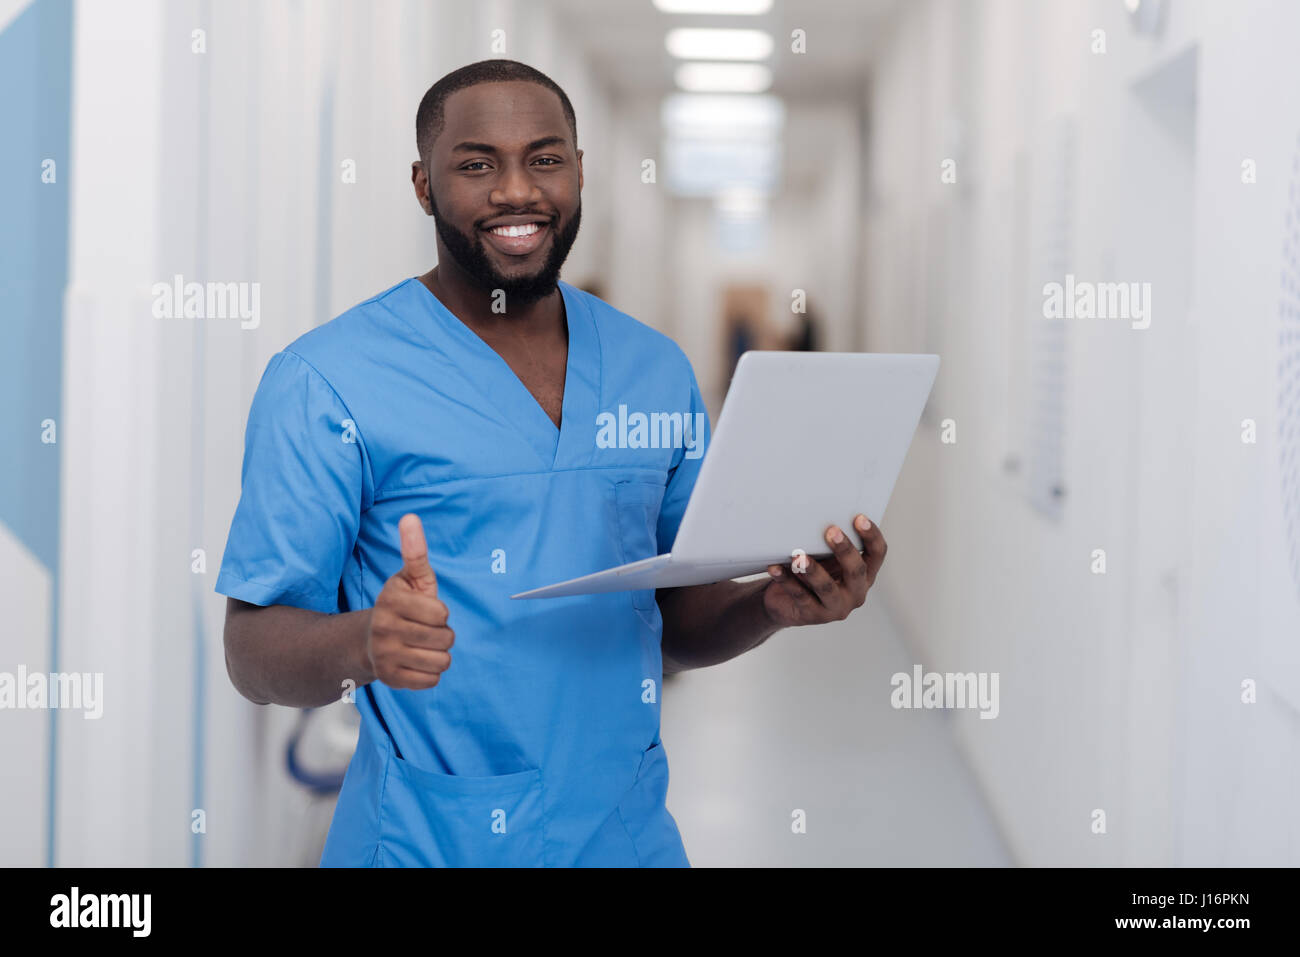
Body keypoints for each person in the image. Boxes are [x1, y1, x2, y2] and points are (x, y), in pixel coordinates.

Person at [217, 59, 888, 868]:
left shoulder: (653, 370)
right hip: (428, 844)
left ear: (578, 171)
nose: (515, 191)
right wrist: (366, 642)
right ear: (423, 185)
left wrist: (771, 605)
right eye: (476, 163)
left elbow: (674, 621)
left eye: (544, 158)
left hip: (625, 838)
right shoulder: (328, 381)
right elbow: (252, 655)